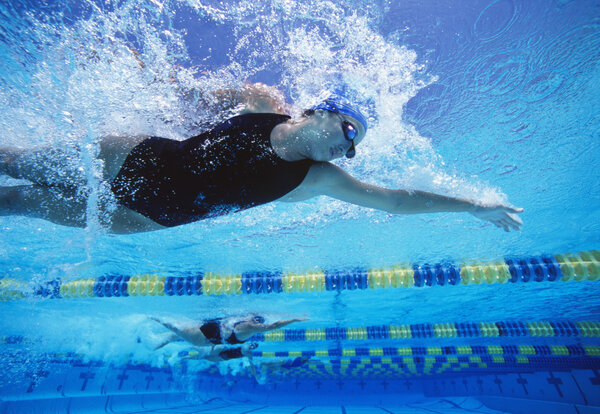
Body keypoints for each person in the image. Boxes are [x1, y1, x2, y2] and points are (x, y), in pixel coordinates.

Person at [0, 83, 523, 233]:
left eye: (354, 144)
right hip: (128, 158)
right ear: (320, 112)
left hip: (144, 218)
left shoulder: (319, 178)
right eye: (347, 129)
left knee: (19, 205)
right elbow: (193, 96)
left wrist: (470, 206)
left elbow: (393, 202)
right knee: (20, 161)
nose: (348, 146)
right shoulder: (262, 103)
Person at [150, 314, 308, 349]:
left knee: (172, 326)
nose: (250, 317)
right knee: (172, 336)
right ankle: (154, 343)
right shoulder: (246, 322)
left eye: (253, 318)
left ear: (255, 323)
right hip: (203, 336)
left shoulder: (247, 328)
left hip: (199, 336)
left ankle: (147, 316)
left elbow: (273, 326)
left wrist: (294, 320)